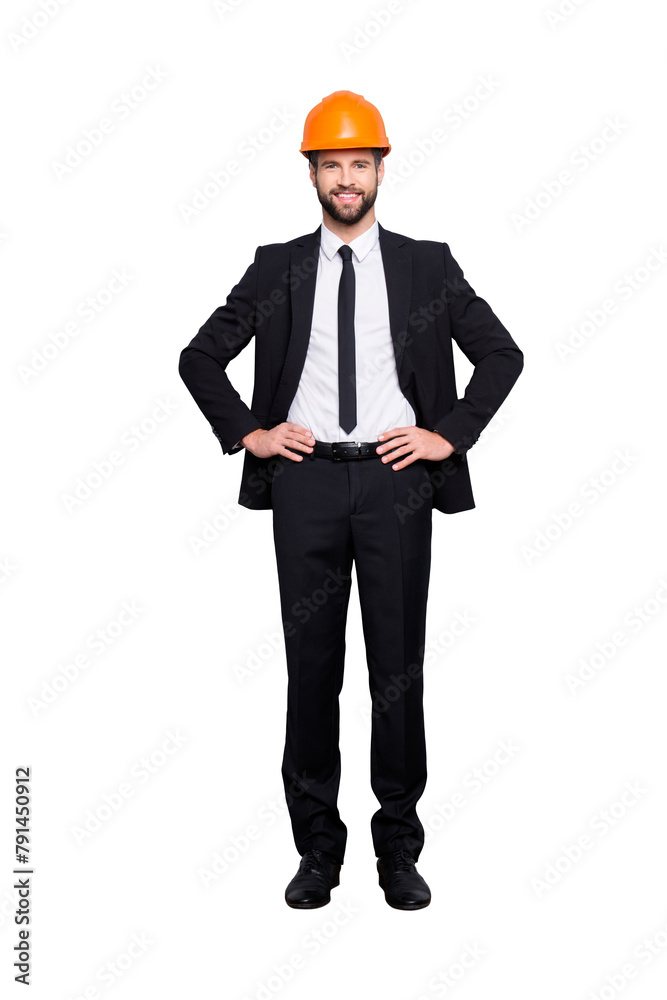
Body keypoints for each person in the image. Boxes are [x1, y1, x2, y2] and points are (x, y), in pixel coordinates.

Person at [178, 90, 523, 911]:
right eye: (330, 164)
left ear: (379, 169)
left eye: (358, 163)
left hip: (395, 482)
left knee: (395, 672)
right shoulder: (276, 266)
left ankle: (397, 851)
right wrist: (250, 433)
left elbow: (501, 355)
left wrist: (449, 434)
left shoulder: (425, 265)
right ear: (311, 172)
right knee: (312, 672)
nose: (345, 178)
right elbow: (197, 358)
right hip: (304, 483)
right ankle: (317, 853)